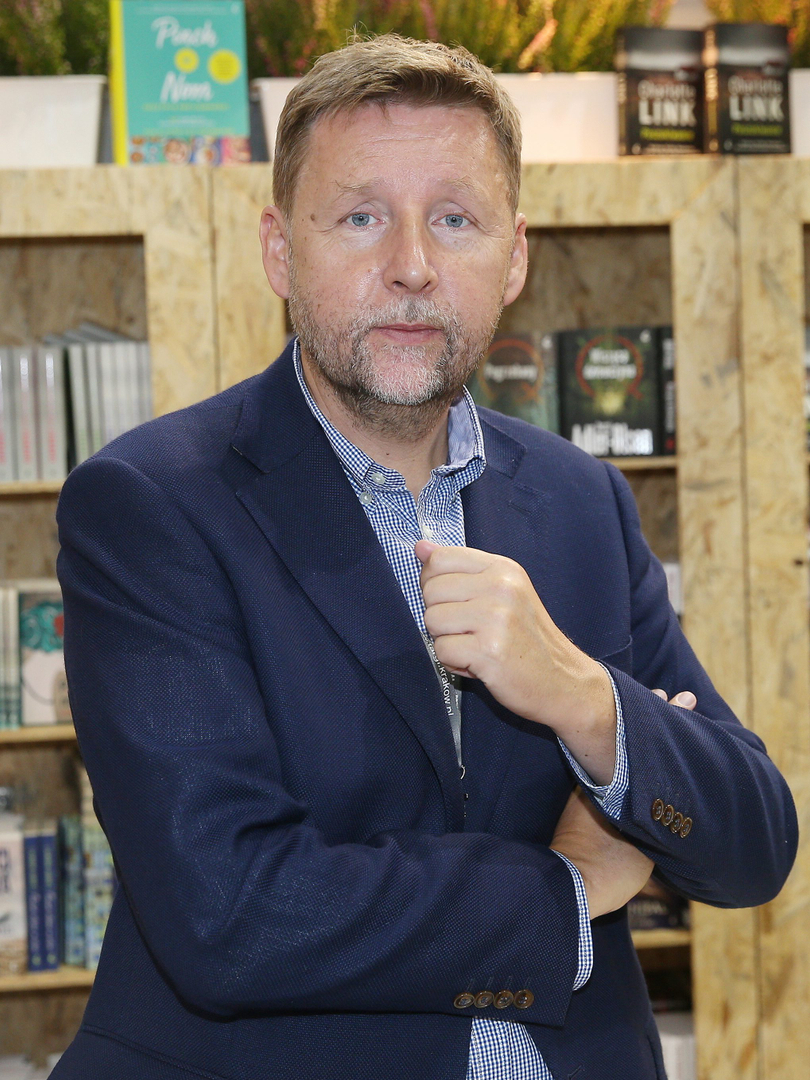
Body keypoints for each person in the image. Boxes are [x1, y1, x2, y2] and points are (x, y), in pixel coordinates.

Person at [52, 34, 797, 1080]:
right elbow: (232, 914)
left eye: (455, 219)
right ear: (280, 251)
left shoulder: (580, 500)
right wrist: (568, 891)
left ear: (515, 258)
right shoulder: (151, 506)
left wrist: (586, 702)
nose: (411, 264)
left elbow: (754, 845)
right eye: (361, 217)